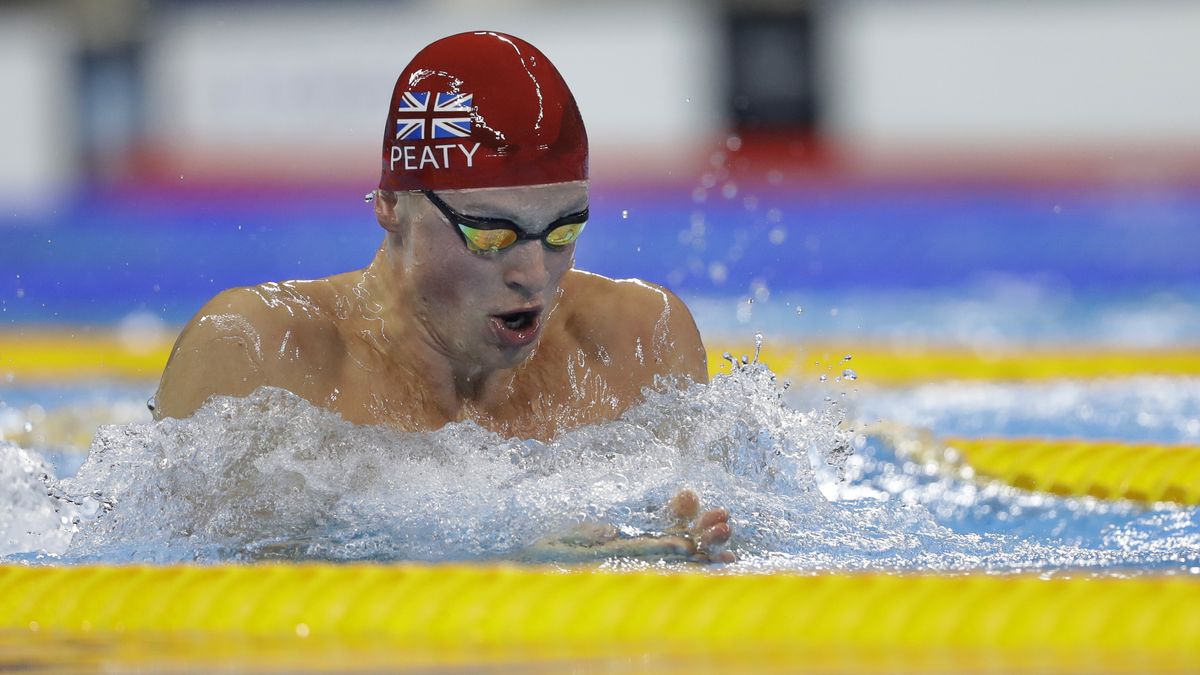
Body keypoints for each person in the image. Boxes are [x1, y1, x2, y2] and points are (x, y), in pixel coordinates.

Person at [152, 31, 732, 562]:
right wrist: (512, 560)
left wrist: (669, 553)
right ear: (390, 204)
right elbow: (192, 601)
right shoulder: (260, 355)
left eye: (564, 231)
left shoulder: (637, 342)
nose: (533, 275)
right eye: (491, 233)